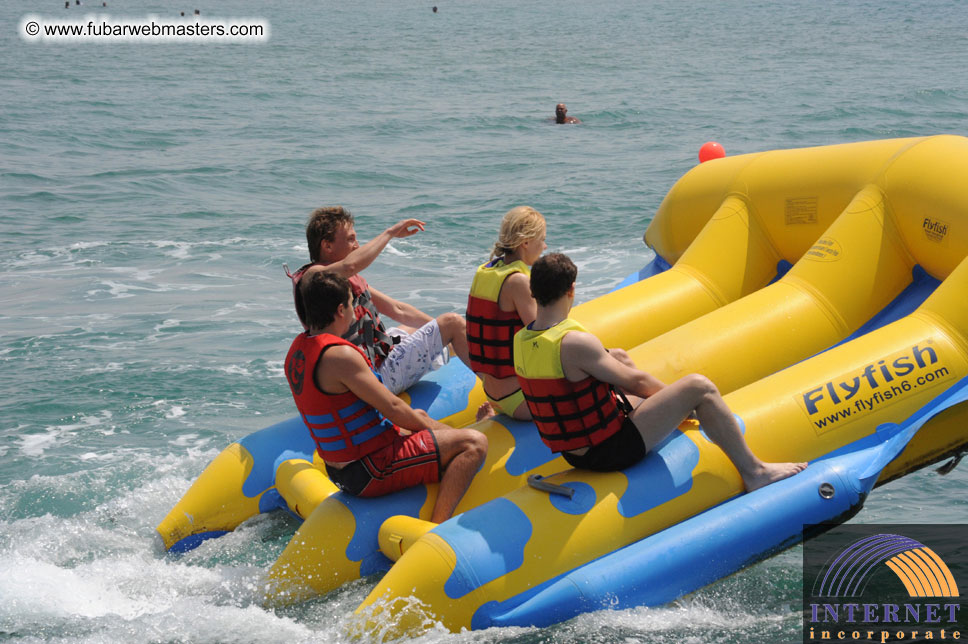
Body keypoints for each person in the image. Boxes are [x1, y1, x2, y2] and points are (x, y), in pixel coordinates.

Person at [513, 253, 806, 490]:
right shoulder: (574, 341)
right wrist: (681, 405)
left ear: (534, 292)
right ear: (571, 290)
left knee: (617, 357)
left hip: (575, 452)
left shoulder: (523, 339)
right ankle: (756, 472)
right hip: (609, 451)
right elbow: (637, 382)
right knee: (698, 386)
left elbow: (571, 384)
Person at [285, 268, 487, 523]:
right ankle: (435, 528)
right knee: (474, 444)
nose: (354, 310)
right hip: (370, 470)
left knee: (420, 416)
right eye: (351, 303)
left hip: (340, 468)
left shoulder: (298, 351)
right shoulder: (341, 356)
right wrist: (446, 433)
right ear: (339, 310)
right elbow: (393, 407)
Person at [289, 206, 471, 395]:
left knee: (417, 327)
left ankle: (456, 347)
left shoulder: (342, 280)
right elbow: (350, 265)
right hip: (370, 379)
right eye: (351, 239)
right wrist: (390, 233)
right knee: (452, 323)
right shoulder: (313, 278)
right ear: (327, 246)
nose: (357, 245)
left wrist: (437, 331)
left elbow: (397, 309)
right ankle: (493, 385)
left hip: (375, 360)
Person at [466, 206, 546, 420]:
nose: (545, 246)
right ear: (526, 242)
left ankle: (491, 418)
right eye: (542, 239)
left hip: (493, 394)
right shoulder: (518, 281)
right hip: (521, 398)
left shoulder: (485, 271)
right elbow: (545, 338)